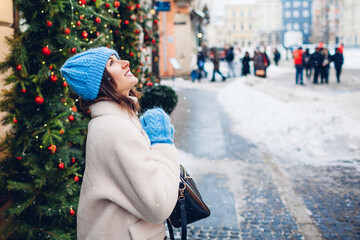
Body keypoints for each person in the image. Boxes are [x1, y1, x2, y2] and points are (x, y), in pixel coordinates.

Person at [60, 47, 179, 240]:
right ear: (100, 82)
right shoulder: (116, 128)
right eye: (111, 63)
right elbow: (159, 204)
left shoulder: (113, 121)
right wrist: (162, 144)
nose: (125, 63)